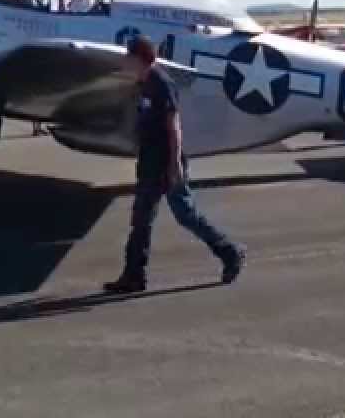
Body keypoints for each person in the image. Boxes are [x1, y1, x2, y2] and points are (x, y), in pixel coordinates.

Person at [104, 35, 245, 293]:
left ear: (138, 58)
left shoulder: (160, 83)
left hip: (165, 162)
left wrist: (174, 164)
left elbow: (174, 125)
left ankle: (230, 252)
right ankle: (134, 276)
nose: (124, 60)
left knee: (185, 215)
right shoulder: (144, 83)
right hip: (150, 163)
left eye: (128, 56)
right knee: (141, 219)